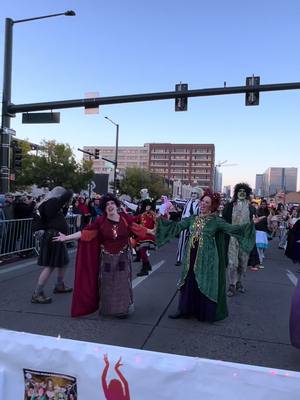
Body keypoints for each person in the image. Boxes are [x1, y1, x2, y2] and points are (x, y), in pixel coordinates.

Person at [155, 190, 255, 322]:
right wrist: (161, 220)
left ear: (212, 206)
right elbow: (177, 227)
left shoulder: (216, 221)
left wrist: (251, 224)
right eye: (202, 201)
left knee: (204, 282)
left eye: (206, 202)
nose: (202, 204)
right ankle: (184, 310)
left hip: (207, 258)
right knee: (189, 280)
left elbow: (233, 229)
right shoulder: (193, 218)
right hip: (190, 256)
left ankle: (203, 312)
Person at [53, 193, 151, 318]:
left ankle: (122, 309)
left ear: (116, 206)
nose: (110, 206)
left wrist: (151, 231)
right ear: (104, 208)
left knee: (122, 282)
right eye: (107, 205)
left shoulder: (124, 218)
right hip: (107, 258)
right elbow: (85, 233)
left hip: (123, 257)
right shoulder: (101, 221)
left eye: (112, 203)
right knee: (107, 282)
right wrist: (66, 237)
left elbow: (137, 228)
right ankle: (109, 309)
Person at [31, 186, 73, 304]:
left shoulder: (47, 204)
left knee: (63, 262)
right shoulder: (52, 202)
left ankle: (59, 285)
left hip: (55, 236)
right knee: (50, 266)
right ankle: (37, 293)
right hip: (53, 236)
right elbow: (69, 192)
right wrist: (66, 194)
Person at [222, 183, 257, 296]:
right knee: (232, 263)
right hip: (232, 238)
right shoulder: (229, 206)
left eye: (244, 191)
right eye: (239, 191)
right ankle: (231, 285)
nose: (242, 193)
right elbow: (224, 222)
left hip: (245, 238)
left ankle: (239, 282)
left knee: (242, 262)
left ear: (247, 194)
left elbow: (253, 224)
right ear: (236, 193)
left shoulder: (251, 208)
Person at [175, 188, 202, 266]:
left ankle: (192, 261)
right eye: (192, 193)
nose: (193, 194)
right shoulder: (187, 202)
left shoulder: (199, 204)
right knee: (181, 241)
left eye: (195, 193)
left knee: (193, 242)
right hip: (184, 223)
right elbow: (177, 201)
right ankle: (179, 259)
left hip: (193, 224)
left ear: (198, 195)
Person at [132, 198, 157, 276]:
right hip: (142, 236)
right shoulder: (141, 215)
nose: (147, 207)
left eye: (149, 206)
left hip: (149, 236)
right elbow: (132, 220)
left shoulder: (153, 215)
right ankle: (147, 265)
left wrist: (153, 230)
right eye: (146, 206)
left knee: (143, 251)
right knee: (137, 248)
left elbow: (157, 224)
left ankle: (144, 269)